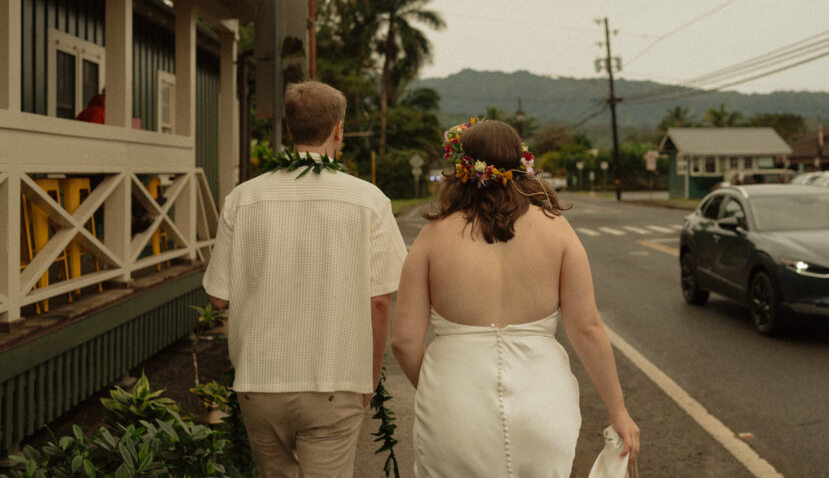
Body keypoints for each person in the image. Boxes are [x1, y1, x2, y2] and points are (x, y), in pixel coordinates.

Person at [391, 119, 639, 477]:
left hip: (454, 401)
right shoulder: (557, 230)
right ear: (523, 164)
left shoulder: (432, 237)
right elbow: (586, 328)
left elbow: (403, 340)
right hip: (542, 401)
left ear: (462, 167)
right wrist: (618, 411)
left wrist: (433, 385)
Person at [203, 81, 407, 478]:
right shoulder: (369, 200)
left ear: (289, 126)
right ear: (338, 129)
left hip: (260, 381)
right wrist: (369, 377)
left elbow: (218, 299)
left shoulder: (243, 199)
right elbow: (380, 301)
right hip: (336, 379)